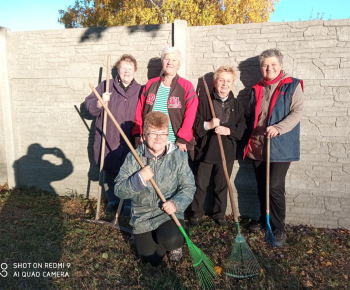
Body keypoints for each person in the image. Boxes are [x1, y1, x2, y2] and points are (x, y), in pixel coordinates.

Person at [115, 111, 195, 266]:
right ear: (144, 136)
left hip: (168, 213)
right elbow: (118, 189)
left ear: (168, 136)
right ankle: (150, 239)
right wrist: (138, 179)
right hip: (143, 216)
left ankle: (173, 244)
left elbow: (188, 186)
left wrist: (176, 204)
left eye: (163, 134)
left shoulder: (178, 157)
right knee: (150, 260)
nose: (159, 138)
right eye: (153, 134)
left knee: (172, 239)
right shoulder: (133, 158)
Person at [244, 48, 304, 246]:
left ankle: (279, 227)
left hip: (280, 146)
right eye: (265, 65)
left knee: (275, 186)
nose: (269, 68)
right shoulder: (256, 88)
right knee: (262, 185)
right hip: (258, 145)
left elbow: (297, 112)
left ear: (280, 66)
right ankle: (265, 219)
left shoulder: (292, 85)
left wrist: (278, 128)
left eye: (273, 65)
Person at [85, 54, 142, 214]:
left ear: (135, 71)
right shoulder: (106, 86)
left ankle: (128, 204)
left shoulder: (140, 90)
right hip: (108, 136)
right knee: (109, 170)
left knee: (131, 171)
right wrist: (99, 102)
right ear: (118, 70)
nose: (126, 71)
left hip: (130, 138)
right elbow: (89, 107)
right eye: (123, 68)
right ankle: (112, 201)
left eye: (130, 69)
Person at [189, 66, 246, 227]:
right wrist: (208, 125)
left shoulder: (236, 104)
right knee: (200, 183)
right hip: (206, 151)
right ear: (214, 82)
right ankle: (196, 211)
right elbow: (196, 123)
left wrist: (229, 130)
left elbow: (243, 126)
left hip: (226, 152)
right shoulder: (203, 101)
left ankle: (219, 214)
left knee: (222, 184)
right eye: (221, 80)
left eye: (228, 81)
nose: (224, 84)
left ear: (232, 83)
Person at [132, 47, 198, 161]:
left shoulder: (186, 86)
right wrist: (138, 132)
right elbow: (139, 110)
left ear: (179, 65)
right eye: (166, 59)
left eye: (174, 60)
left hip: (175, 143)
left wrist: (182, 138)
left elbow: (191, 114)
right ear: (162, 62)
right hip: (151, 143)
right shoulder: (150, 84)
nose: (169, 62)